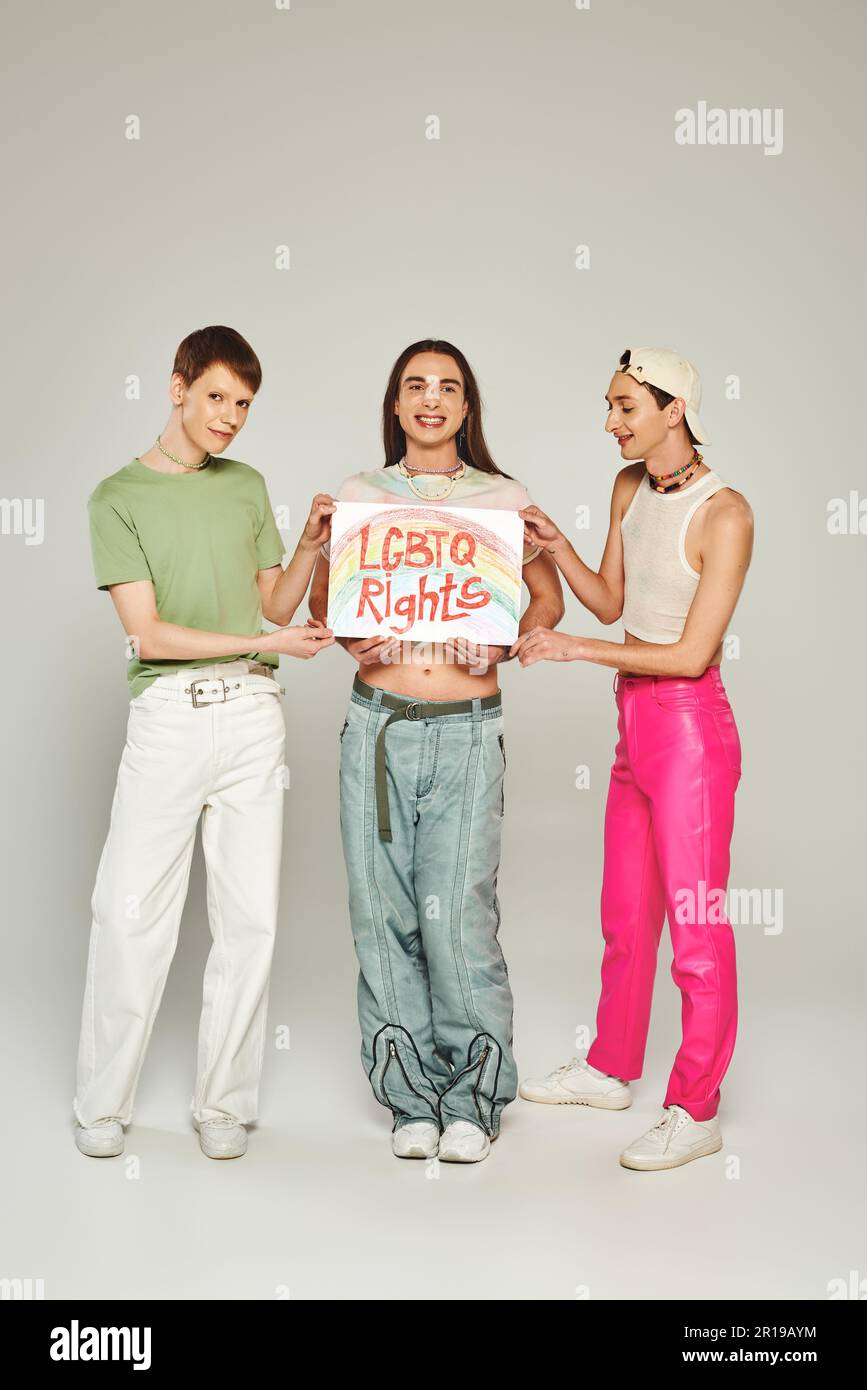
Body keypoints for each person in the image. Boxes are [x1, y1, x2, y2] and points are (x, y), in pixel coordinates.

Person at [73, 325, 334, 1160]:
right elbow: (147, 636)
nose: (229, 418)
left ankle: (224, 1104)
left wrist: (311, 545)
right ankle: (103, 1103)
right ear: (178, 385)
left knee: (249, 920)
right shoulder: (116, 496)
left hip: (255, 718)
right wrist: (262, 645)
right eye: (217, 397)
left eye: (244, 405)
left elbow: (279, 605)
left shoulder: (246, 484)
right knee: (130, 913)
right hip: (172, 717)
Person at [309, 338, 564, 1163]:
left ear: (466, 406)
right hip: (378, 725)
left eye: (447, 388)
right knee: (381, 917)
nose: (430, 399)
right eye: (414, 386)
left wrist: (500, 647)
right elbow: (332, 607)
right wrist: (356, 635)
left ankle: (473, 1097)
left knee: (457, 917)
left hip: (466, 728)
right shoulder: (358, 496)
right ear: (394, 403)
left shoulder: (500, 499)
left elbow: (546, 603)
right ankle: (409, 1097)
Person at [515, 346, 754, 1171]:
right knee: (625, 914)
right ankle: (610, 1068)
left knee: (694, 926)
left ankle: (694, 1107)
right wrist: (552, 546)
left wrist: (576, 650)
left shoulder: (725, 514)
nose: (610, 421)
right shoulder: (628, 489)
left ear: (671, 411)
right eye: (609, 405)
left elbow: (689, 654)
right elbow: (615, 601)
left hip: (688, 727)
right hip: (633, 721)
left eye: (624, 406)